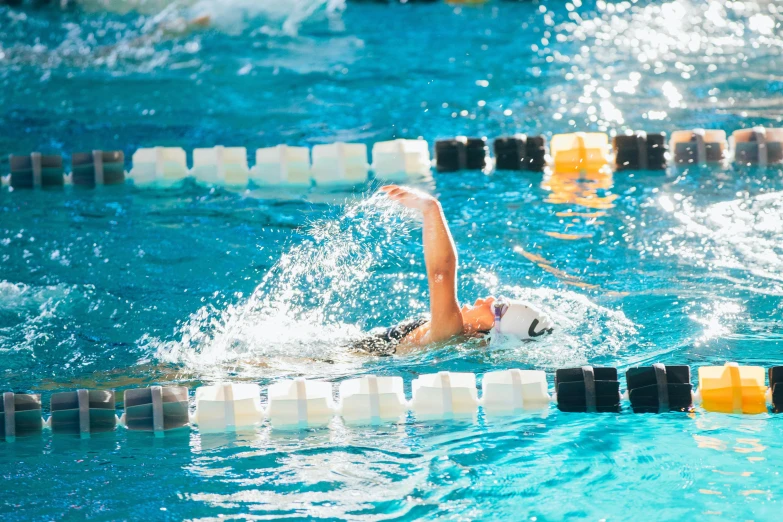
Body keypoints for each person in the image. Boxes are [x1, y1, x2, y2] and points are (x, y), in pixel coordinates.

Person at [352, 185, 554, 356]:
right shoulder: (452, 337)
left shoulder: (450, 330)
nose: (490, 299)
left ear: (490, 333)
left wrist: (431, 209)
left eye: (498, 307)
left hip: (343, 362)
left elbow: (441, 272)